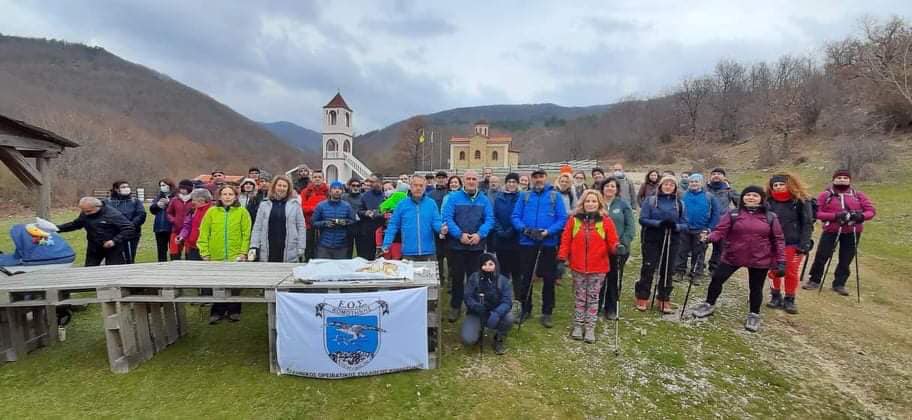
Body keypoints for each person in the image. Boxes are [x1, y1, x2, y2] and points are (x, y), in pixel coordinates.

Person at [691, 186, 785, 332]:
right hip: (733, 255)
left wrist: (781, 261)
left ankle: (754, 314)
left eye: (755, 195)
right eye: (748, 195)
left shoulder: (770, 217)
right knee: (717, 279)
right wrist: (709, 238)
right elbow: (720, 230)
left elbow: (778, 239)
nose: (751, 197)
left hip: (760, 258)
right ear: (742, 198)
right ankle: (709, 304)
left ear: (761, 199)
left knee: (756, 288)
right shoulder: (733, 213)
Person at [558, 190, 619, 342]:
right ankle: (578, 325)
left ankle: (590, 327)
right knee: (579, 297)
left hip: (598, 267)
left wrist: (617, 247)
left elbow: (612, 240)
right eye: (587, 201)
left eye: (593, 201)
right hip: (578, 266)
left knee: (592, 298)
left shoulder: (605, 221)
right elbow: (566, 239)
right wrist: (562, 256)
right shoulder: (574, 220)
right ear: (582, 203)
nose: (590, 204)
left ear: (599, 203)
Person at [511, 168, 569, 328]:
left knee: (549, 278)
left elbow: (562, 218)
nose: (538, 179)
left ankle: (547, 312)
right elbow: (515, 216)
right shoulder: (524, 196)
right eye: (535, 177)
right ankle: (525, 308)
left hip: (547, 243)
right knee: (526, 277)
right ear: (532, 179)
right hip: (527, 242)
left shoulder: (554, 196)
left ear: (546, 178)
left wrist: (548, 232)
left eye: (541, 176)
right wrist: (525, 230)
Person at [804, 169, 876, 296]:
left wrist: (860, 216)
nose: (842, 180)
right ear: (833, 180)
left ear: (849, 180)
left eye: (845, 178)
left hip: (852, 231)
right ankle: (814, 280)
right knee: (822, 255)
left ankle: (839, 283)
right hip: (831, 230)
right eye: (839, 178)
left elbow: (871, 211)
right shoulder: (825, 195)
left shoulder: (858, 195)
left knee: (846, 258)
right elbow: (817, 213)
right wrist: (835, 216)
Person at [442, 169, 494, 322]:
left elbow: (489, 219)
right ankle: (455, 307)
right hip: (457, 246)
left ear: (477, 181)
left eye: (474, 179)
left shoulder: (484, 199)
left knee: (475, 279)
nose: (471, 181)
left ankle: (473, 307)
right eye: (468, 178)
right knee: (457, 278)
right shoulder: (453, 197)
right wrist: (460, 235)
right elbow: (448, 218)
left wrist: (480, 234)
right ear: (463, 181)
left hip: (476, 247)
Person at [197, 185, 252, 324]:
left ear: (235, 196)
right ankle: (217, 311)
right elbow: (203, 233)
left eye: (230, 194)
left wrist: (243, 252)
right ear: (219, 196)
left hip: (236, 256)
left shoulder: (242, 212)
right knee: (217, 284)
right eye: (225, 194)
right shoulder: (211, 212)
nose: (227, 197)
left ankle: (234, 310)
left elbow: (246, 234)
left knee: (235, 285)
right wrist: (205, 252)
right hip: (216, 255)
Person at [635, 175, 687, 314]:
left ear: (675, 187)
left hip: (672, 238)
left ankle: (664, 298)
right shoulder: (651, 200)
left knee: (667, 269)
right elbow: (643, 219)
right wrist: (659, 224)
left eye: (671, 184)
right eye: (666, 184)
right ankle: (642, 296)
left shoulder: (680, 203)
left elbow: (685, 224)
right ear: (661, 186)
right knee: (648, 267)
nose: (668, 186)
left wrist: (675, 226)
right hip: (653, 237)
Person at [765, 173, 814, 314]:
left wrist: (804, 243)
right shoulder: (768, 201)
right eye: (775, 185)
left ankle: (790, 298)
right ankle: (775, 296)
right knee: (773, 270)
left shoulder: (800, 201)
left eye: (781, 184)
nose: (779, 187)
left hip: (793, 242)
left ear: (789, 185)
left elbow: (807, 223)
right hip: (772, 242)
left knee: (791, 271)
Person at [597, 177, 636, 320]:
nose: (610, 188)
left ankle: (611, 308)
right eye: (607, 186)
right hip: (599, 249)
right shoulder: (596, 202)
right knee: (598, 279)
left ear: (617, 189)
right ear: (602, 188)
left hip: (618, 248)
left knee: (613, 278)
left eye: (613, 186)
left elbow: (630, 227)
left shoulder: (623, 204)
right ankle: (596, 306)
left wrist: (623, 243)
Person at [382, 175, 445, 261]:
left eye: (421, 185)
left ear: (425, 187)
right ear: (410, 187)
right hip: (408, 253)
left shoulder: (431, 203)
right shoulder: (402, 204)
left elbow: (436, 222)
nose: (418, 188)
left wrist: (441, 229)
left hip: (429, 252)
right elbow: (393, 225)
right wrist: (386, 243)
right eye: (415, 185)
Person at [57, 197, 136, 266]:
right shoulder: (86, 212)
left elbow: (129, 228)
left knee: (114, 270)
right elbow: (76, 224)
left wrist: (114, 241)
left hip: (113, 247)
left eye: (88, 211)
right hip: (94, 247)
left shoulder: (112, 214)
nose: (86, 214)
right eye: (83, 211)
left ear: (98, 207)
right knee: (90, 269)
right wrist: (56, 229)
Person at [674, 173, 722, 285]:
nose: (694, 184)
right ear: (689, 183)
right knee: (682, 251)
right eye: (692, 182)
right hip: (684, 229)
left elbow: (716, 214)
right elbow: (677, 210)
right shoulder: (682, 195)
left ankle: (696, 274)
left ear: (701, 183)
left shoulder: (709, 197)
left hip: (702, 230)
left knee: (699, 253)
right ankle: (679, 271)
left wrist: (709, 228)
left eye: (696, 181)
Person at [461, 253, 513, 355]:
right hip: (476, 313)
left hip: (495, 313)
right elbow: (467, 296)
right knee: (468, 340)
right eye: (484, 264)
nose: (487, 267)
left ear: (496, 265)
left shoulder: (503, 281)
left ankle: (499, 338)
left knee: (509, 318)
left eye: (490, 264)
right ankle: (478, 332)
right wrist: (476, 306)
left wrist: (497, 313)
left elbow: (507, 301)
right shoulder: (474, 278)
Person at [249, 175, 307, 263]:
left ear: (288, 189)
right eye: (279, 185)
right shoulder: (264, 204)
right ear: (274, 187)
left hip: (289, 249)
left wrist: (301, 247)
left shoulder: (295, 205)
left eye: (284, 186)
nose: (282, 188)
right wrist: (254, 245)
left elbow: (301, 227)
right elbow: (257, 227)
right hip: (268, 247)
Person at [705, 168, 740, 273]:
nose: (716, 176)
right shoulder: (704, 189)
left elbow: (741, 204)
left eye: (719, 174)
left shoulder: (729, 190)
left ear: (724, 177)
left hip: (722, 224)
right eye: (714, 174)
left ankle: (714, 268)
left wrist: (734, 217)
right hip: (706, 222)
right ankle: (697, 268)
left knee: (719, 248)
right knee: (701, 246)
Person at [312, 181, 357, 259]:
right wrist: (325, 223)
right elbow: (313, 222)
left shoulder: (347, 206)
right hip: (324, 245)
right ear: (330, 191)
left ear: (342, 192)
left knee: (340, 270)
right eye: (334, 188)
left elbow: (353, 221)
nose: (337, 190)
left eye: (339, 189)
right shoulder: (321, 206)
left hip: (341, 245)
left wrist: (345, 222)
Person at [492, 173, 522, 286]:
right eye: (509, 182)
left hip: (516, 239)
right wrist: (500, 230)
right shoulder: (499, 197)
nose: (511, 184)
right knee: (502, 270)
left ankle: (518, 298)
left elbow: (520, 215)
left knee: (517, 271)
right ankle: (504, 296)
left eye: (514, 182)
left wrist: (512, 230)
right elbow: (494, 215)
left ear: (517, 184)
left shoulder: (521, 197)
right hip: (501, 239)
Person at [105, 181, 146, 263]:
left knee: (130, 257)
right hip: (114, 235)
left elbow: (141, 215)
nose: (126, 188)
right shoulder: (108, 202)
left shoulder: (135, 201)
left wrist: (130, 226)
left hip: (132, 234)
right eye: (123, 187)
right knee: (115, 258)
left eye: (127, 186)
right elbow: (105, 215)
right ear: (116, 189)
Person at [178, 189, 213, 261]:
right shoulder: (192, 211)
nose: (192, 202)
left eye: (194, 200)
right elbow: (187, 226)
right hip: (192, 247)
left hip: (207, 248)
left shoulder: (213, 211)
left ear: (202, 200)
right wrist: (182, 236)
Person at [300, 170, 328, 261]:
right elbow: (302, 208)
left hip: (323, 225)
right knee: (309, 248)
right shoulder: (305, 192)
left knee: (322, 249)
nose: (317, 179)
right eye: (315, 177)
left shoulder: (328, 191)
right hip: (309, 225)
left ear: (323, 179)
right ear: (312, 178)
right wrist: (314, 209)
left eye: (319, 177)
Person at [357, 175, 385, 260]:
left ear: (381, 182)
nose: (375, 184)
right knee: (367, 256)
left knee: (381, 256)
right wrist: (366, 213)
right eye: (373, 182)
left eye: (377, 182)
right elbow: (359, 211)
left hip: (382, 228)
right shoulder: (365, 196)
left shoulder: (386, 195)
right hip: (368, 229)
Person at [165, 179, 195, 260]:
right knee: (174, 252)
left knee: (189, 252)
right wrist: (173, 220)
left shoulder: (194, 200)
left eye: (185, 189)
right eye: (181, 188)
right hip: (176, 229)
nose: (182, 190)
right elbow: (169, 213)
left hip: (189, 231)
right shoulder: (174, 200)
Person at [149, 178, 176, 262]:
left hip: (172, 227)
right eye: (160, 185)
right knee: (161, 251)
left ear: (170, 185)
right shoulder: (158, 197)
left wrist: (169, 203)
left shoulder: (176, 196)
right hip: (159, 227)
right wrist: (157, 205)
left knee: (174, 250)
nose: (162, 187)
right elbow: (152, 210)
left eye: (164, 185)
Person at [342, 178, 365, 257]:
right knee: (347, 250)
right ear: (349, 186)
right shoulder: (344, 197)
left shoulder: (363, 197)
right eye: (353, 185)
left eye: (358, 186)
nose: (356, 187)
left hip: (360, 225)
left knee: (361, 250)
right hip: (347, 225)